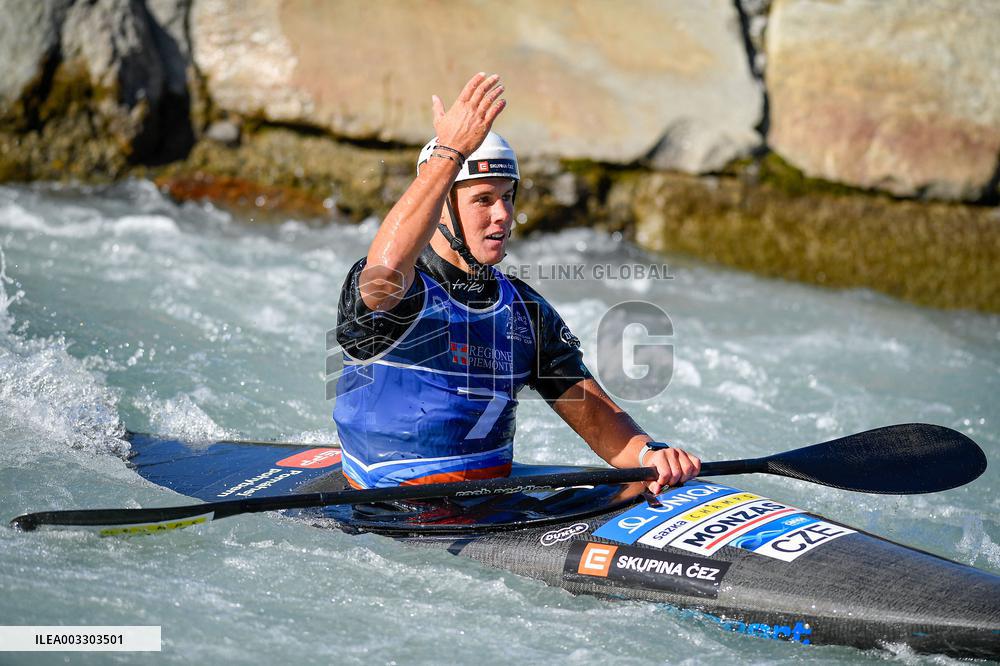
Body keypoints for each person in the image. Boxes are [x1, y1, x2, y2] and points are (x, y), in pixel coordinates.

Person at [333, 72, 700, 494]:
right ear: (440, 209)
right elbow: (388, 267)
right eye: (483, 200)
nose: (503, 215)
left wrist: (648, 455)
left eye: (507, 196)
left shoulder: (522, 310)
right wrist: (450, 153)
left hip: (490, 501)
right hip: (389, 503)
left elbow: (590, 410)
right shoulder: (398, 293)